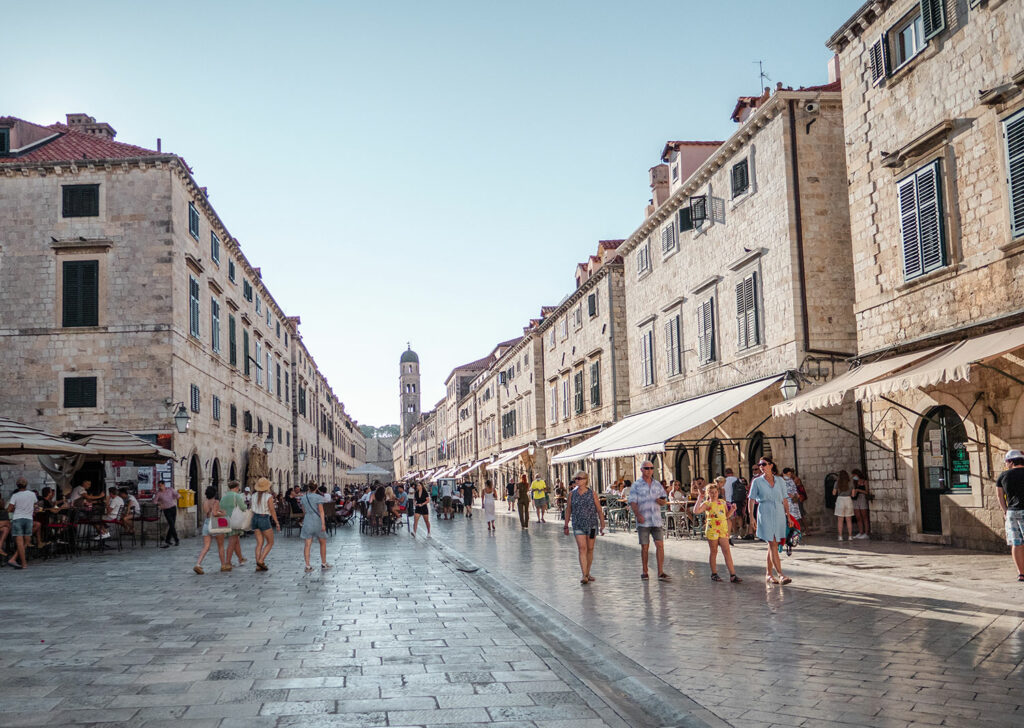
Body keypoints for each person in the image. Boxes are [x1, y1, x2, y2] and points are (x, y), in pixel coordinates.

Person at [748, 455, 791, 585]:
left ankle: (768, 574)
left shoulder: (780, 481)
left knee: (772, 545)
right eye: (759, 465)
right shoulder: (757, 481)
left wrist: (788, 516)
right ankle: (781, 574)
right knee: (772, 543)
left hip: (778, 513)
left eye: (764, 464)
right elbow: (751, 499)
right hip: (765, 512)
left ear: (771, 465)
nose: (761, 467)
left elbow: (784, 499)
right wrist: (751, 517)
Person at [628, 461, 669, 581]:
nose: (649, 470)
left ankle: (660, 571)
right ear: (641, 470)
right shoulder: (636, 485)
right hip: (644, 519)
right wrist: (637, 514)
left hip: (656, 519)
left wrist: (661, 501)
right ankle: (645, 571)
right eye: (647, 468)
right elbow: (633, 502)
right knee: (645, 547)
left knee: (660, 545)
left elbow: (664, 499)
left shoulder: (657, 484)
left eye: (651, 468)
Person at [693, 479, 741, 583]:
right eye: (711, 492)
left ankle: (733, 574)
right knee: (714, 551)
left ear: (718, 492)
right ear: (708, 493)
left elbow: (726, 516)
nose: (714, 494)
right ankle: (714, 573)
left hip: (722, 528)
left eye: (715, 492)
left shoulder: (722, 502)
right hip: (712, 528)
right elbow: (696, 511)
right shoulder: (707, 504)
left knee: (727, 551)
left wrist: (732, 510)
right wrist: (699, 499)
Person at [563, 471, 605, 584]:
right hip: (578, 524)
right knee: (582, 548)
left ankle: (587, 572)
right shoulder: (572, 494)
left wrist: (602, 524)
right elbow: (568, 510)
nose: (577, 480)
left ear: (586, 480)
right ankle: (584, 575)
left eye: (579, 478)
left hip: (592, 526)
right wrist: (566, 525)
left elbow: (599, 509)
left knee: (590, 548)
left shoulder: (592, 493)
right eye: (576, 478)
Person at [996, 449, 1024, 582]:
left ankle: (1021, 573)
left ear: (1011, 461)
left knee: (1017, 543)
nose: (1006, 464)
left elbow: (1000, 496)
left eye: (1007, 461)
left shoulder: (1003, 476)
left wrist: (1005, 511)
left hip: (1012, 512)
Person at [194, 485, 229, 574]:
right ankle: (223, 565)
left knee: (206, 546)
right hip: (215, 524)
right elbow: (214, 513)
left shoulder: (205, 502)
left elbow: (208, 512)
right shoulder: (216, 501)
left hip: (206, 524)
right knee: (220, 546)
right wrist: (223, 514)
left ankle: (198, 564)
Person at [251, 477, 281, 571]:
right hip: (264, 518)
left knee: (259, 543)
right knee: (270, 542)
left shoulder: (253, 495)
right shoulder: (268, 497)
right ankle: (261, 561)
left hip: (255, 518)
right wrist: (277, 522)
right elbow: (272, 510)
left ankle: (258, 565)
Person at [6, 478, 37, 569]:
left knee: (20, 543)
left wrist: (17, 508)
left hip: (17, 519)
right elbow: (35, 506)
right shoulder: (32, 494)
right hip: (28, 519)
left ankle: (22, 563)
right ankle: (14, 559)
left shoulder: (15, 495)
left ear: (17, 485)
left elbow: (9, 509)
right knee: (27, 542)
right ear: (26, 485)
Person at [299, 482, 330, 571]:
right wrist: (323, 524)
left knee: (307, 544)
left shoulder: (303, 498)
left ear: (309, 488)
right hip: (317, 521)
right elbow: (321, 511)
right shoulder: (319, 498)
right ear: (316, 488)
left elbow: (304, 511)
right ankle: (323, 563)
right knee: (322, 543)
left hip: (308, 520)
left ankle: (307, 565)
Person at [220, 480, 248, 567]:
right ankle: (227, 562)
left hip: (226, 521)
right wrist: (246, 506)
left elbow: (220, 508)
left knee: (236, 541)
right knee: (232, 542)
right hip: (235, 521)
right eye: (238, 488)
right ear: (236, 488)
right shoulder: (237, 496)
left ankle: (240, 558)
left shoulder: (224, 497)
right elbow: (243, 507)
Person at [154, 480, 180, 548]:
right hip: (166, 509)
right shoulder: (158, 493)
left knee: (172, 524)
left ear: (164, 485)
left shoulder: (170, 489)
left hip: (173, 508)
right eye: (159, 486)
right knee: (171, 524)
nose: (160, 487)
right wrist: (160, 504)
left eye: (161, 485)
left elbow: (176, 494)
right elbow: (154, 501)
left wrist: (177, 496)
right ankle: (176, 540)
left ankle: (167, 539)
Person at [833, 470, 855, 541]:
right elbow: (853, 494)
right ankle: (850, 536)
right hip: (848, 499)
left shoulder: (837, 483)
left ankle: (840, 536)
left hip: (840, 500)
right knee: (849, 520)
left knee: (840, 520)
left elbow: (834, 493)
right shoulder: (851, 483)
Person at [850, 468, 871, 539]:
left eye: (854, 475)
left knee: (864, 516)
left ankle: (866, 533)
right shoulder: (855, 482)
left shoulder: (864, 482)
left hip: (862, 498)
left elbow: (867, 492)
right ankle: (861, 532)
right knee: (858, 517)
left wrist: (859, 490)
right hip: (856, 499)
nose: (853, 477)